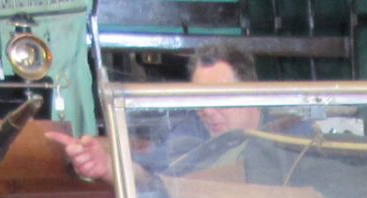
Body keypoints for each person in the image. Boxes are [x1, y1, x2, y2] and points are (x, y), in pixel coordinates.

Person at [52, 41, 264, 182]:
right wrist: (106, 166)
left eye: (217, 98)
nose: (206, 111)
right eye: (199, 99)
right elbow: (150, 174)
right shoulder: (194, 130)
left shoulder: (292, 134)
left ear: (250, 92)